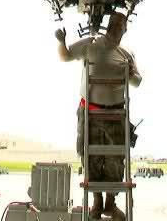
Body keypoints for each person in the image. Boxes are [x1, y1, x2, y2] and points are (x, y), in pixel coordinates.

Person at [56, 13, 142, 221]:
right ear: (108, 25)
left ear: (125, 29)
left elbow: (138, 81)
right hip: (90, 111)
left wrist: (131, 74)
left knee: (115, 159)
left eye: (121, 24)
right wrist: (61, 41)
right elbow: (65, 56)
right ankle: (96, 202)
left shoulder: (127, 53)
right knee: (89, 157)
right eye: (114, 24)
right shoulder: (90, 44)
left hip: (116, 112)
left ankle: (110, 204)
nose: (117, 27)